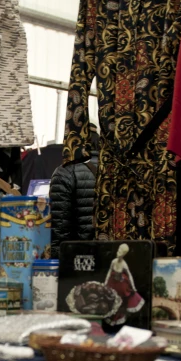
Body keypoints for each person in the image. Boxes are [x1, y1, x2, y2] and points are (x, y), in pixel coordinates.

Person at [50, 125, 98, 259]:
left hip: (80, 257)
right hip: (113, 252)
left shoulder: (65, 171)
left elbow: (59, 227)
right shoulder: (117, 169)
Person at [104, 243, 145, 325]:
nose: (118, 252)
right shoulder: (113, 261)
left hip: (121, 285)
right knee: (110, 299)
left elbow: (130, 275)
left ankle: (119, 319)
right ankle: (110, 317)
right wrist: (105, 282)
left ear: (124, 254)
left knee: (121, 302)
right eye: (119, 250)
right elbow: (109, 272)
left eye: (121, 251)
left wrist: (133, 286)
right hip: (112, 283)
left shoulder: (124, 264)